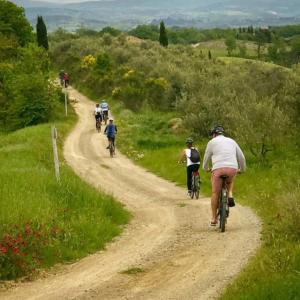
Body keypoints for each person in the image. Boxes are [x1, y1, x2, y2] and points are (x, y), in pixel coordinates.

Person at [203, 125, 246, 226]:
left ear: (214, 134)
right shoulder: (232, 141)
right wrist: (242, 169)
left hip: (218, 168)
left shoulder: (211, 142)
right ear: (222, 133)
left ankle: (213, 218)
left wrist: (206, 168)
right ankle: (230, 194)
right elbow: (241, 157)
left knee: (215, 193)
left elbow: (206, 158)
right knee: (230, 181)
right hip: (232, 167)